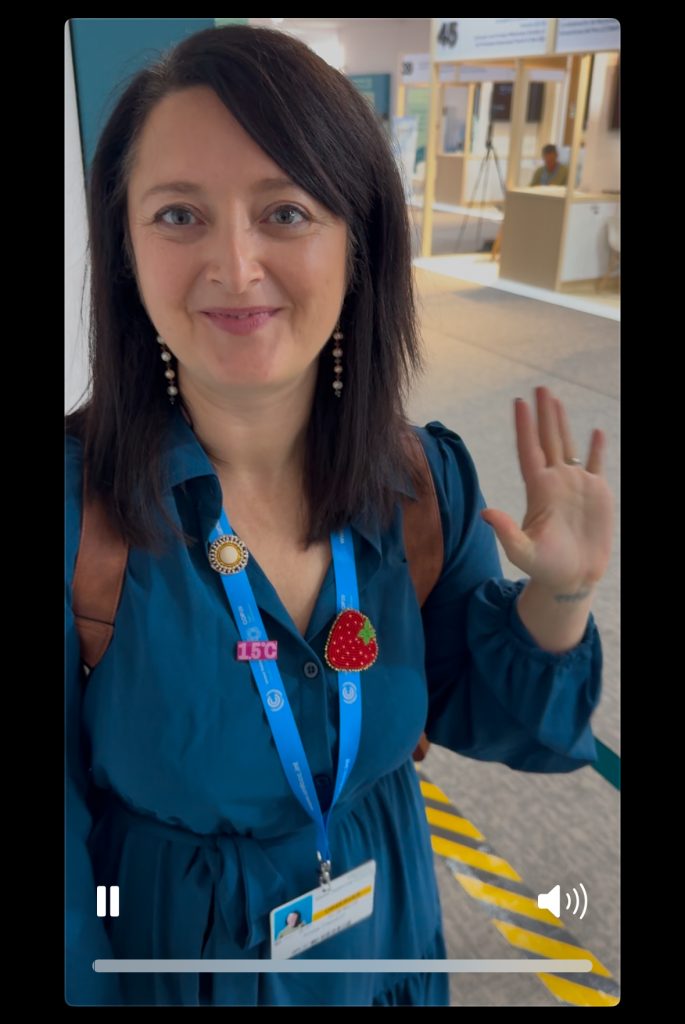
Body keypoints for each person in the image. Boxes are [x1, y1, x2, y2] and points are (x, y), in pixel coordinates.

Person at [65, 24, 615, 1007]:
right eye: (179, 215)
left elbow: (487, 713)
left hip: (385, 945)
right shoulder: (80, 518)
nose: (235, 267)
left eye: (283, 210)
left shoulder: (415, 483)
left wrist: (559, 598)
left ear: (357, 239)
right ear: (124, 247)